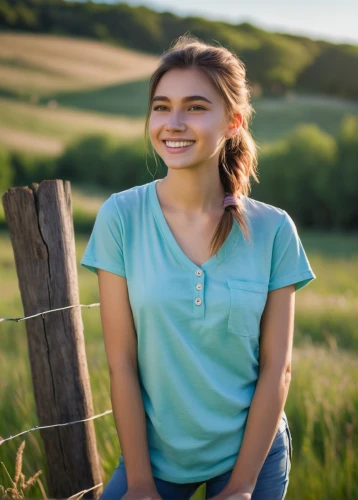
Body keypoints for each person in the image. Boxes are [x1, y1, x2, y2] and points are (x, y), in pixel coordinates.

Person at [80, 33, 316, 500]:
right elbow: (121, 363)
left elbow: (277, 369)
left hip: (252, 455)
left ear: (233, 121)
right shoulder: (120, 218)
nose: (174, 123)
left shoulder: (274, 230)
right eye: (162, 106)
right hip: (156, 456)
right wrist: (142, 483)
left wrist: (243, 486)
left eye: (194, 107)